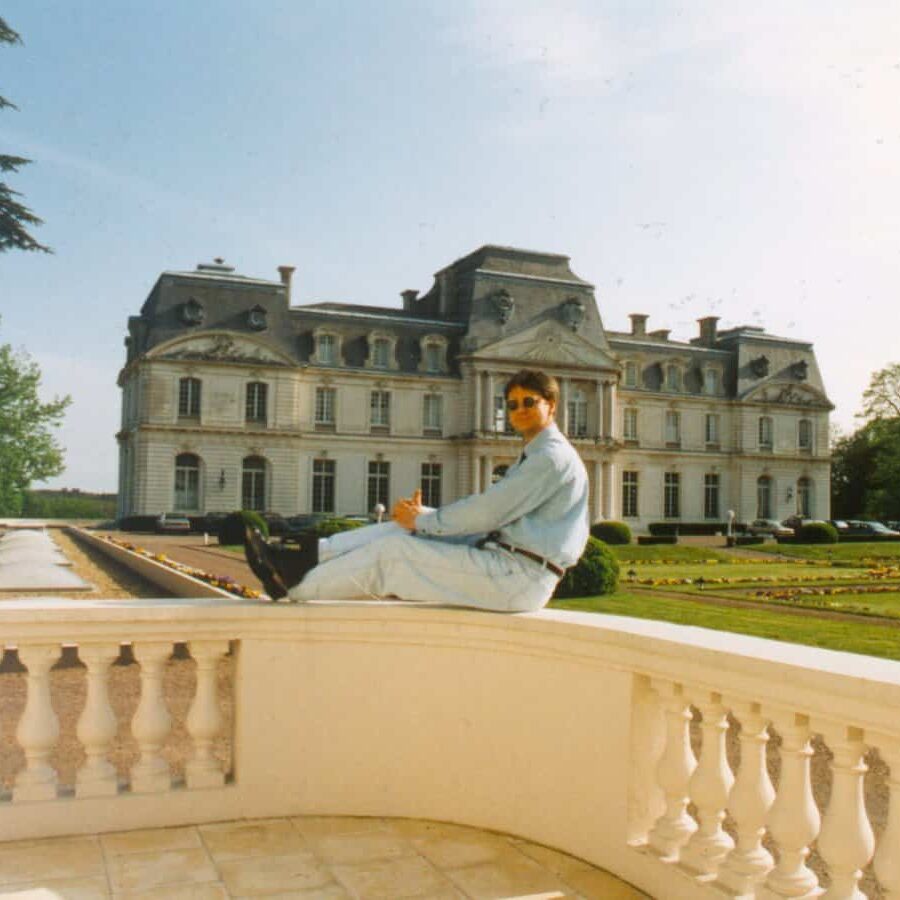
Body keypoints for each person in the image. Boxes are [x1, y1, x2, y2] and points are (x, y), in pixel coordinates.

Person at [244, 369, 589, 612]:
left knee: (394, 554)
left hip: (519, 577)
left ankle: (292, 584)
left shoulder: (551, 457)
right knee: (400, 528)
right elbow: (491, 517)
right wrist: (421, 519)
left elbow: (489, 512)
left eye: (529, 402)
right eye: (512, 405)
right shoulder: (537, 455)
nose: (520, 412)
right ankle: (307, 556)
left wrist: (427, 522)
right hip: (507, 564)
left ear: (551, 405)